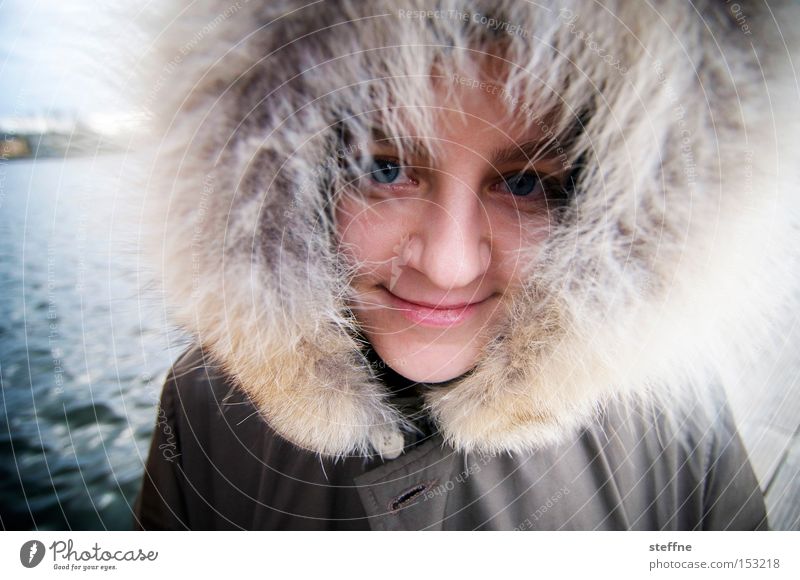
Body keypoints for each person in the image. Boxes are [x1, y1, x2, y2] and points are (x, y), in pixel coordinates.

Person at [131, 0, 799, 530]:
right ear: (287, 186)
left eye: (525, 182)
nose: (449, 266)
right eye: (383, 168)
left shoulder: (676, 416)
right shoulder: (205, 406)